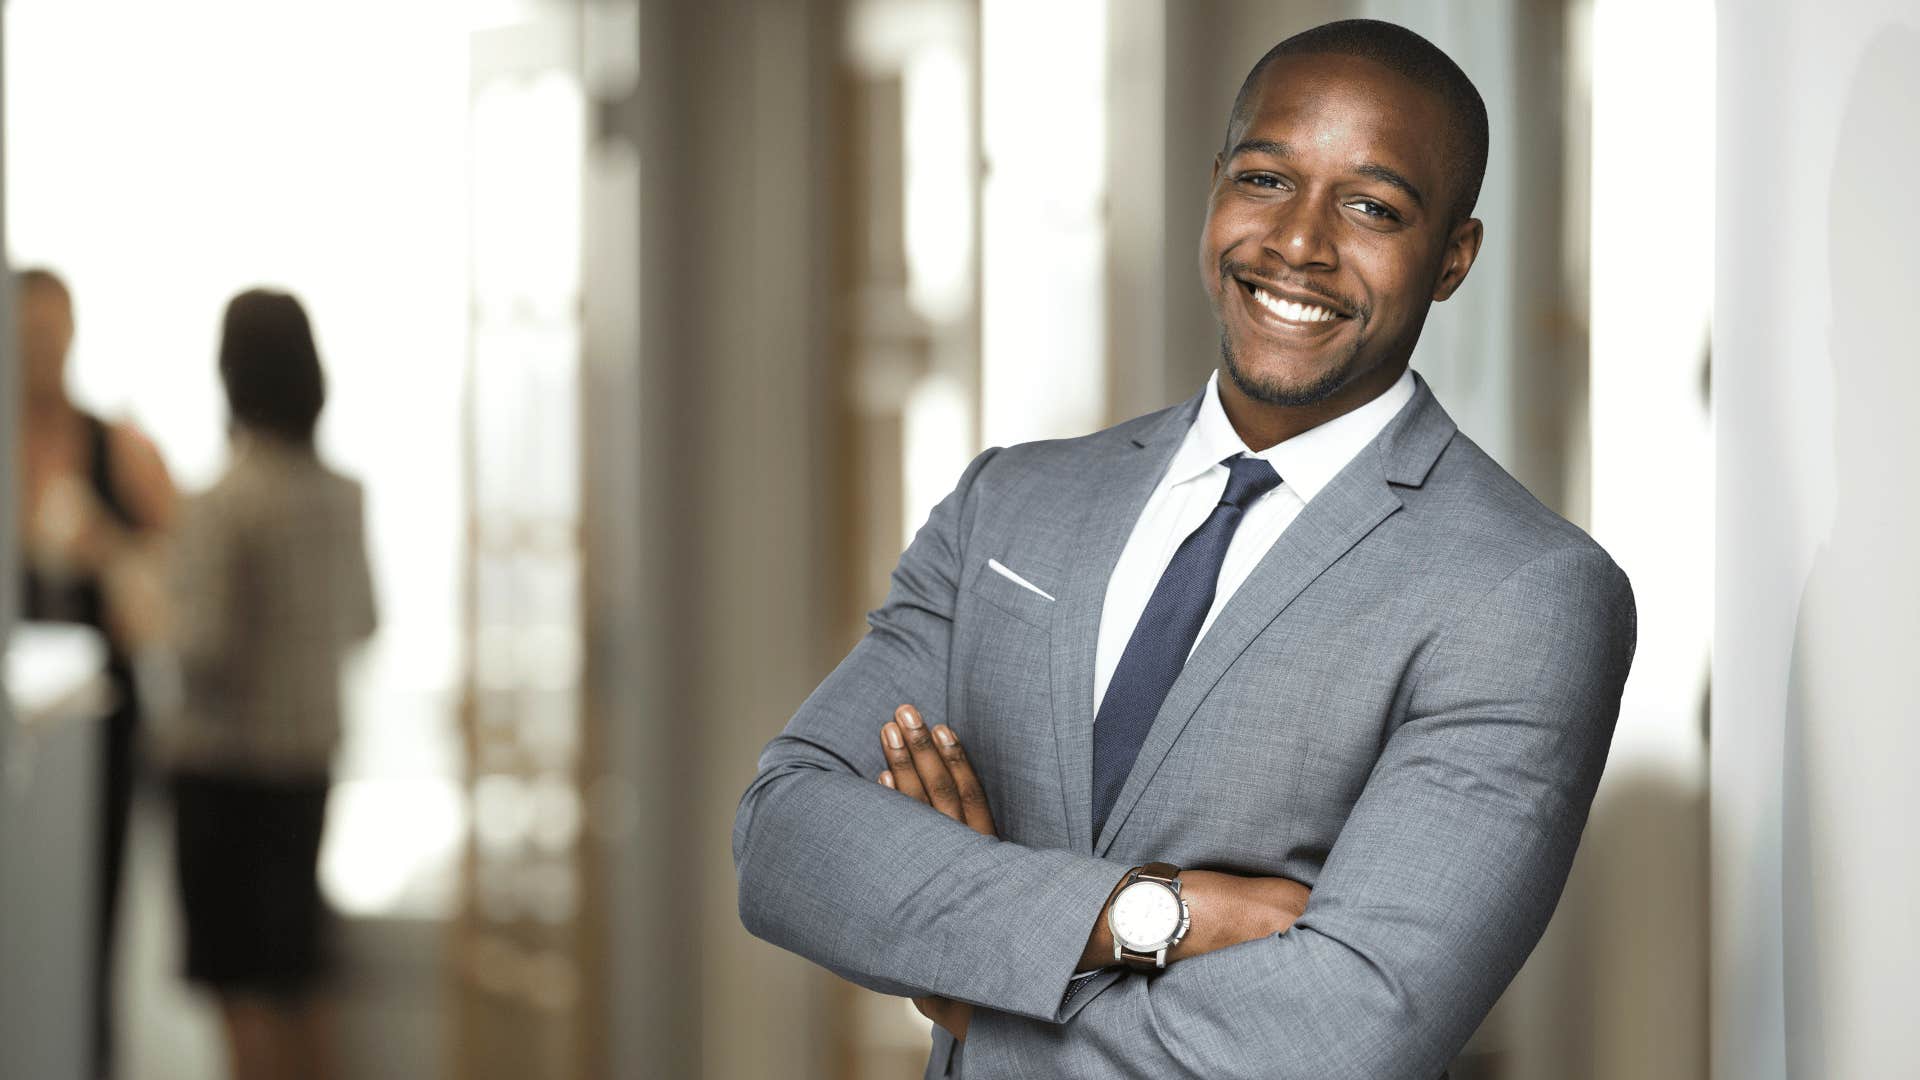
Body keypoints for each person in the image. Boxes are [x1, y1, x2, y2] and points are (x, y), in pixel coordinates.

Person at [736, 18, 1640, 1078]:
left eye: (1372, 206)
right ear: (1214, 186)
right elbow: (786, 840)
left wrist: (975, 981)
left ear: (1453, 257)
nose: (1298, 243)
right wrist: (1152, 915)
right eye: (1265, 179)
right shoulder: (1012, 505)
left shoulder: (1526, 593)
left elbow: (1351, 1034)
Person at [157, 289, 376, 1080]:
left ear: (230, 371)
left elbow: (202, 648)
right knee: (298, 977)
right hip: (306, 766)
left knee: (239, 991)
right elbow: (365, 622)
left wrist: (138, 590)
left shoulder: (224, 502)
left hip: (224, 771)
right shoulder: (344, 497)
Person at [15, 267, 177, 1080]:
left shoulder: (119, 447)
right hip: (17, 731)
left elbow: (181, 597)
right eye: (27, 335)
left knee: (88, 923)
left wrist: (103, 550)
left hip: (99, 727)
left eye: (54, 332)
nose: (42, 351)